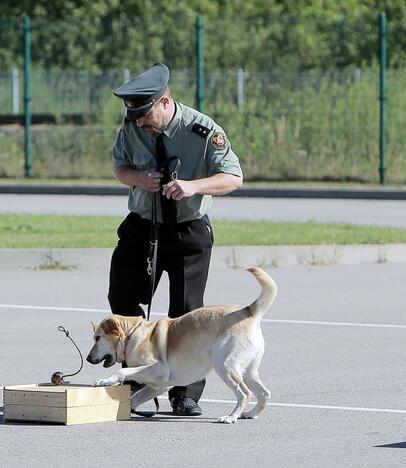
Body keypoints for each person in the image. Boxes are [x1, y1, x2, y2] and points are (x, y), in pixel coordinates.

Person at [108, 62, 244, 416]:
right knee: (122, 298)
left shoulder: (202, 130)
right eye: (135, 116)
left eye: (146, 114)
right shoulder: (131, 126)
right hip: (142, 225)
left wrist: (193, 186)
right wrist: (138, 178)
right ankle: (138, 381)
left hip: (187, 231)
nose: (139, 123)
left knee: (186, 313)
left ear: (165, 102)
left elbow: (233, 177)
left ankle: (184, 393)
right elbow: (120, 168)